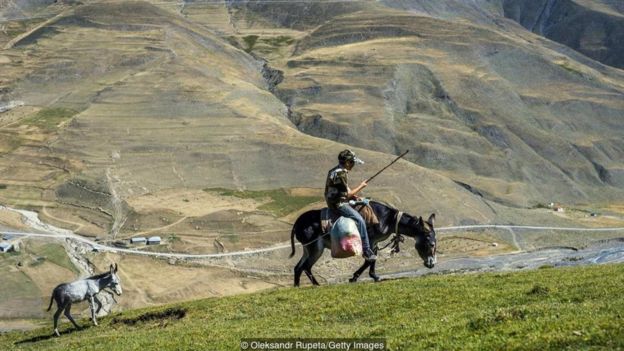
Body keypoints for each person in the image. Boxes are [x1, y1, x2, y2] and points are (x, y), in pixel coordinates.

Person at [324, 149, 377, 261]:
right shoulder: (341, 174)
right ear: (348, 162)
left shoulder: (335, 170)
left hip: (335, 199)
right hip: (338, 204)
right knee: (360, 220)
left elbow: (343, 188)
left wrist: (354, 197)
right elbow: (347, 194)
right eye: (352, 163)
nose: (353, 165)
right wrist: (361, 186)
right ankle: (367, 250)